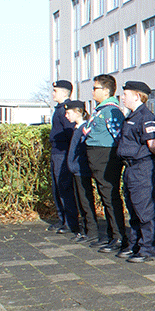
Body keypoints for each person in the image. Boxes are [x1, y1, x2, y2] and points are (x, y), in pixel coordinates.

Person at [116, 81, 155, 263]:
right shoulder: (131, 116)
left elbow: (153, 143)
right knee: (134, 209)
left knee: (145, 210)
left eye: (126, 94)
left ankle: (150, 248)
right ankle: (136, 245)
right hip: (131, 168)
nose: (123, 97)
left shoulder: (146, 116)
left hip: (142, 167)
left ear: (137, 96)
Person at [86, 75, 127, 253]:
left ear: (106, 91)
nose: (93, 91)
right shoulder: (100, 110)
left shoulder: (111, 110)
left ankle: (119, 237)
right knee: (105, 197)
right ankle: (112, 235)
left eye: (95, 88)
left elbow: (119, 136)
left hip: (106, 157)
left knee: (110, 197)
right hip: (98, 157)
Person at [64, 101, 99, 244]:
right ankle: (85, 230)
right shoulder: (77, 128)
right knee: (80, 201)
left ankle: (91, 232)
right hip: (76, 170)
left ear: (78, 112)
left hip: (81, 170)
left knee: (85, 201)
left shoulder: (84, 128)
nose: (66, 116)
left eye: (69, 112)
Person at [48, 80, 78, 235]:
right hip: (56, 152)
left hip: (62, 153)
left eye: (55, 91)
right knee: (57, 187)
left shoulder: (65, 110)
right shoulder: (59, 109)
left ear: (64, 92)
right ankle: (62, 219)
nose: (53, 94)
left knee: (64, 188)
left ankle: (70, 221)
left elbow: (70, 132)